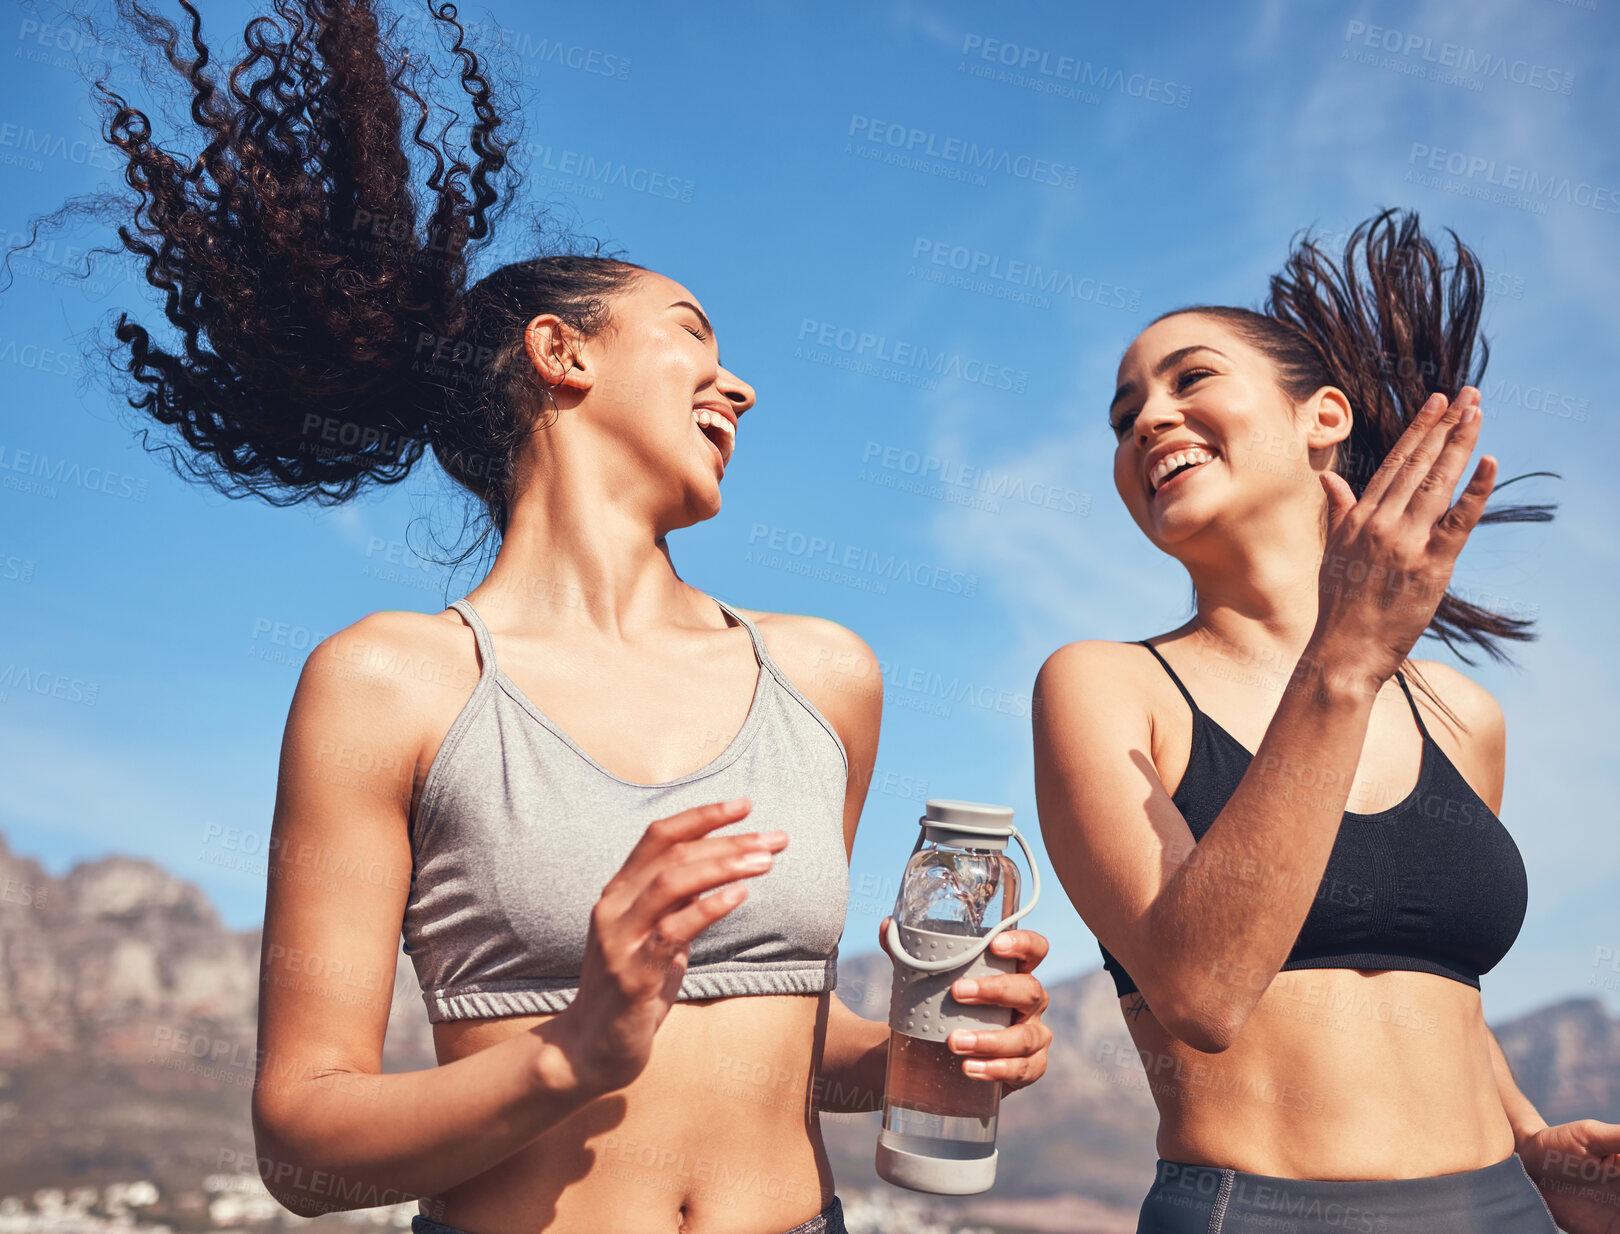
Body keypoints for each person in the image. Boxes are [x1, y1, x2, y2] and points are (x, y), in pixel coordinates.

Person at [43, 3, 1055, 1231]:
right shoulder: (389, 683)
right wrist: (572, 1050)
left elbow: (782, 1043)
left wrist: (936, 1041)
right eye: (692, 335)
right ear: (560, 354)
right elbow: (303, 1146)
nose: (739, 382)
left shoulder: (826, 673)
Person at [1032, 210, 1619, 1232]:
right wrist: (1344, 661)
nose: (1147, 422)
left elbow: (1420, 970)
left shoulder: (1459, 714)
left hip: (1503, 1207)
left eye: (1189, 380)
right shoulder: (1105, 687)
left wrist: (1529, 1138)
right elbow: (1204, 992)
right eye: (1125, 417)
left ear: (1325, 417)